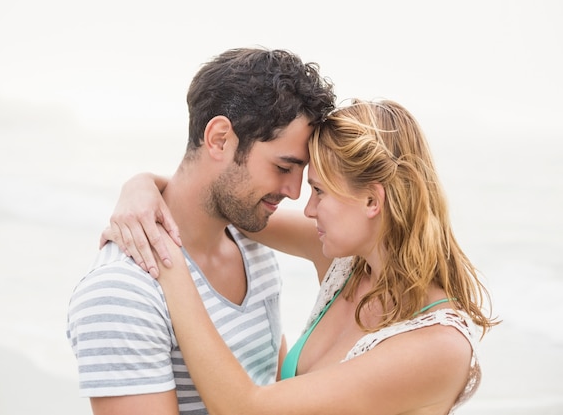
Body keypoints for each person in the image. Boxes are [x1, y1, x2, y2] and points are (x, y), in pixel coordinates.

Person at [102, 99, 500, 415]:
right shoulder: (347, 263)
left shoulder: (437, 346)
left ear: (371, 200)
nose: (306, 208)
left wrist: (166, 260)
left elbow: (244, 409)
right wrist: (140, 187)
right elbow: (225, 206)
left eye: (320, 191)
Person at [66, 47, 336, 415]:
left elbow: (272, 389)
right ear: (220, 139)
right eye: (283, 166)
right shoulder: (121, 290)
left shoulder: (253, 243)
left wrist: (142, 182)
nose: (293, 192)